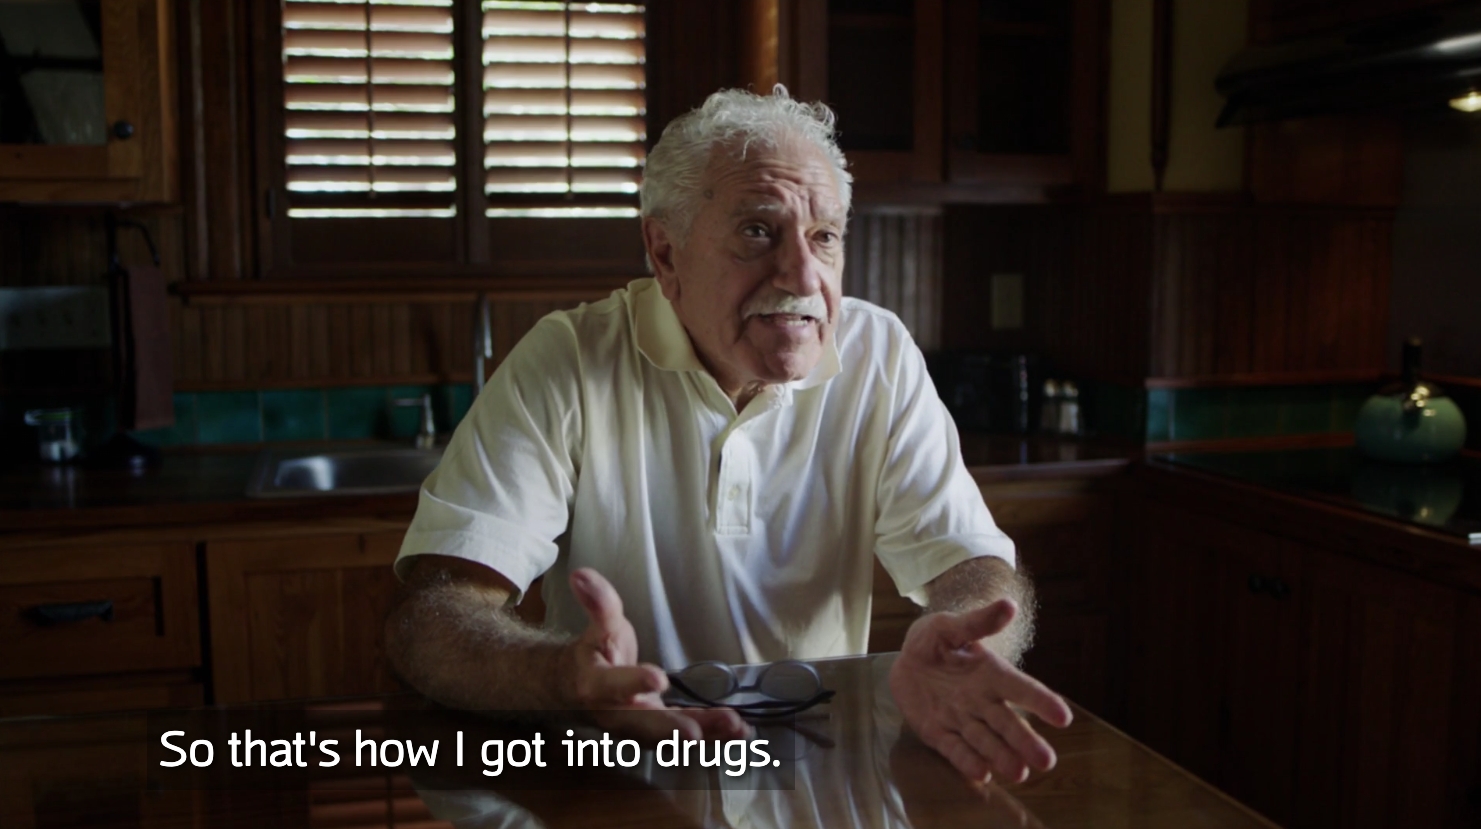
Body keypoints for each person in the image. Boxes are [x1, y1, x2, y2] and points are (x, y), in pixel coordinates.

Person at [384, 86, 1072, 785]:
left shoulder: (879, 354)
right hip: (623, 773)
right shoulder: (569, 359)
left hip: (818, 774)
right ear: (665, 253)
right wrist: (563, 677)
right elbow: (436, 616)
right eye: (757, 232)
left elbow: (972, 566)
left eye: (824, 237)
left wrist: (966, 645)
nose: (802, 275)